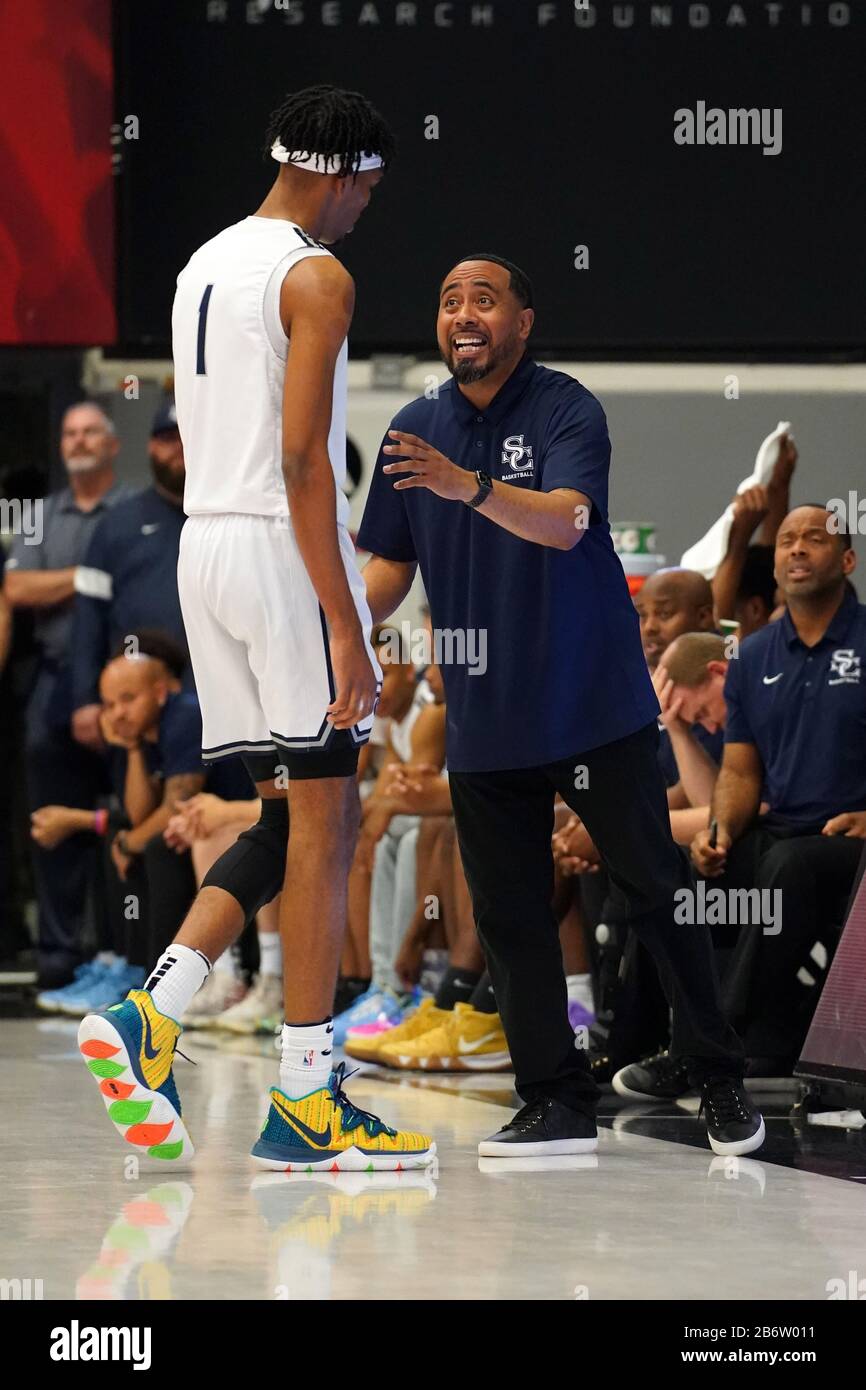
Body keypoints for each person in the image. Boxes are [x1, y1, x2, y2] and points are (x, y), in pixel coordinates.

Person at [77, 85, 433, 1172]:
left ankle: (159, 1011)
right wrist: (342, 621)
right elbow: (298, 460)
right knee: (329, 825)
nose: (368, 204)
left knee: (283, 822)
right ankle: (305, 1100)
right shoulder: (314, 273)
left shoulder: (201, 261)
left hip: (205, 551)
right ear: (333, 169)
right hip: (280, 550)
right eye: (368, 184)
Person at [357, 252, 764, 1158]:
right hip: (487, 718)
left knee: (655, 892)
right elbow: (388, 567)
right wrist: (334, 616)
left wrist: (465, 483)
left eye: (484, 299)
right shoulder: (412, 426)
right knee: (508, 914)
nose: (464, 313)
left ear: (523, 322)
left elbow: (568, 519)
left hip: (590, 704)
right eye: (449, 298)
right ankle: (553, 1096)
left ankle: (717, 1075)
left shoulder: (567, 407)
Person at [691, 505, 866, 1073]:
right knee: (677, 880)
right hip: (781, 832)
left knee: (788, 869)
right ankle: (646, 1042)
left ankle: (720, 1044)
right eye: (787, 540)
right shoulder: (754, 655)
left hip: (847, 840)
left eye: (813, 539)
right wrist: (719, 832)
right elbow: (740, 772)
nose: (796, 549)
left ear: (846, 559)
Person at [4, 402, 136, 987]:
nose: (78, 441)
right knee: (48, 813)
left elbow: (136, 580)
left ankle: (120, 949)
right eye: (69, 432)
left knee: (127, 809)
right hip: (54, 677)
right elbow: (16, 586)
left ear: (111, 445)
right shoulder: (39, 513)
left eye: (89, 432)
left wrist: (79, 582)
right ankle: (57, 952)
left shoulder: (135, 508)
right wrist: (88, 577)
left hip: (124, 681)